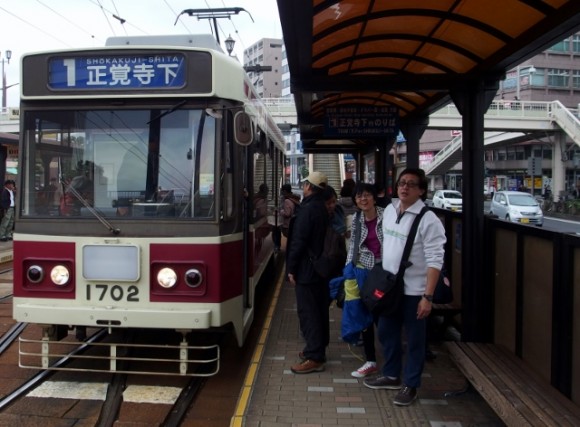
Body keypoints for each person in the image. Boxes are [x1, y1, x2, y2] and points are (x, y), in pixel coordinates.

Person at [364, 168, 446, 407]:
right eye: (401, 183)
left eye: (411, 184)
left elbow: (435, 260)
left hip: (414, 292)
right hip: (390, 289)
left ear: (421, 190)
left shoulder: (429, 220)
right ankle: (391, 375)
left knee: (415, 340)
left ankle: (411, 384)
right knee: (387, 333)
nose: (404, 187)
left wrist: (427, 296)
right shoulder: (389, 210)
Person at [286, 171, 329, 374]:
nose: (303, 187)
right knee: (319, 310)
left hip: (307, 269)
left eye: (305, 184)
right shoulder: (322, 207)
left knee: (308, 312)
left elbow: (298, 242)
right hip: (319, 268)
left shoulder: (308, 209)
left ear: (309, 187)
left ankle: (314, 356)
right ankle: (318, 348)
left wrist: (291, 269)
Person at [347, 182, 384, 378]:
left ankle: (390, 356)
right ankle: (370, 361)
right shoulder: (356, 218)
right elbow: (353, 246)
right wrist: (348, 271)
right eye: (359, 196)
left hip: (384, 274)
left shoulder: (387, 216)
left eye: (367, 195)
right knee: (365, 317)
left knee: (383, 315)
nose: (363, 199)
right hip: (364, 273)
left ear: (374, 198)